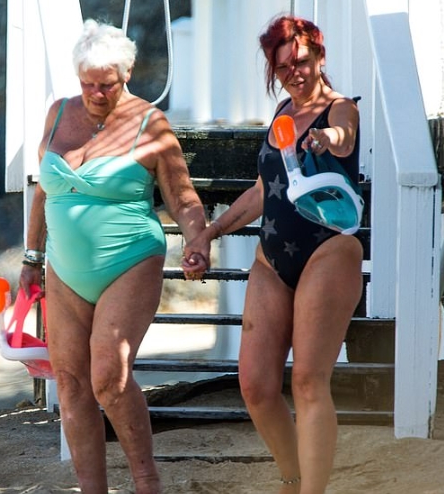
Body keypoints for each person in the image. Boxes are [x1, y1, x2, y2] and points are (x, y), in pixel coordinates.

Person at [20, 19, 209, 494]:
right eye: (88, 84)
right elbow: (45, 190)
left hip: (129, 260)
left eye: (106, 84)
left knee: (108, 376)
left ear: (127, 74)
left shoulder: (151, 123)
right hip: (64, 267)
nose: (96, 94)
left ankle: (146, 481)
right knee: (70, 381)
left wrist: (197, 240)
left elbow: (182, 196)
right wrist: (30, 257)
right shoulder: (58, 113)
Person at [184, 15, 363, 494]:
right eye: (282, 67)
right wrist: (210, 232)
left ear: (320, 56)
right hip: (272, 259)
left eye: (301, 62)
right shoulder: (282, 111)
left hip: (329, 250)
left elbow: (344, 137)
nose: (294, 73)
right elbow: (265, 189)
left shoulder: (341, 109)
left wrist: (326, 139)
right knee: (256, 387)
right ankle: (291, 478)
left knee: (307, 380)